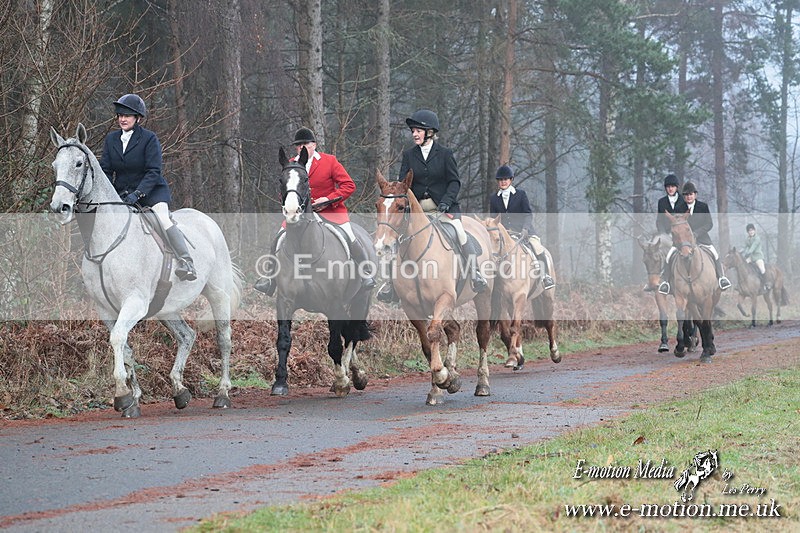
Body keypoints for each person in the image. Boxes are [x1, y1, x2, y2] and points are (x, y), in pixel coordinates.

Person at [377, 109, 487, 303]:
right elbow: (404, 184)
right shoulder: (409, 155)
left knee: (460, 233)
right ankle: (390, 284)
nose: (414, 134)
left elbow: (454, 182)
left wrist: (446, 201)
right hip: (417, 211)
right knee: (396, 239)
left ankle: (475, 273)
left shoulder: (445, 154)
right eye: (413, 131)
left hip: (443, 208)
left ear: (429, 132)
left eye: (418, 130)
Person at [254, 127, 375, 296]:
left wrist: (328, 199)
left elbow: (349, 185)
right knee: (278, 239)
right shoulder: (291, 164)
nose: (302, 148)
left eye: (306, 144)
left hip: (331, 211)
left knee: (350, 236)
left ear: (314, 144)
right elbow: (286, 189)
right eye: (299, 145)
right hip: (299, 213)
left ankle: (365, 274)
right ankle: (270, 279)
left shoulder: (329, 161)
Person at [99, 93, 196, 281]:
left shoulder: (149, 139)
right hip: (123, 196)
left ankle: (186, 261)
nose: (122, 119)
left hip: (151, 193)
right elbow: (105, 170)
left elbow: (154, 171)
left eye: (127, 115)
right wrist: (110, 195)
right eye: (120, 115)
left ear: (137, 118)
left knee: (162, 219)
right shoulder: (111, 140)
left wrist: (138, 193)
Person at [657, 181, 731, 294]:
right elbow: (676, 223)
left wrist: (696, 234)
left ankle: (721, 278)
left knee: (715, 254)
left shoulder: (703, 206)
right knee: (669, 256)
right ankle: (666, 283)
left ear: (695, 195)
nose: (688, 197)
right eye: (686, 195)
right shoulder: (679, 207)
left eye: (691, 194)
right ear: (684, 196)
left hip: (702, 238)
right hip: (683, 241)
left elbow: (709, 224)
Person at [489, 165, 554, 289]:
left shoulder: (520, 194)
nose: (503, 182)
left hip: (523, 232)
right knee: (493, 251)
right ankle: (492, 281)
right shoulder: (494, 198)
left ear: (511, 180)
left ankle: (545, 276)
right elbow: (494, 219)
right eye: (500, 180)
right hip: (504, 234)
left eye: (505, 179)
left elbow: (528, 214)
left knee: (537, 247)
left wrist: (525, 229)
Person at [644, 173, 687, 291]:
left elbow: (686, 218)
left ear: (676, 187)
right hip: (666, 235)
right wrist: (663, 234)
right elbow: (659, 221)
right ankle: (659, 281)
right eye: (668, 187)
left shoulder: (684, 201)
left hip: (681, 234)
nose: (670, 188)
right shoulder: (662, 202)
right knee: (654, 254)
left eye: (672, 186)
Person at [742, 223, 770, 291]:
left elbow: (753, 247)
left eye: (752, 230)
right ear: (748, 232)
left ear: (754, 230)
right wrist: (739, 252)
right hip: (751, 257)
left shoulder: (757, 238)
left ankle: (766, 284)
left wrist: (748, 253)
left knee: (762, 269)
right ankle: (742, 284)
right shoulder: (747, 239)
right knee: (742, 266)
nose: (751, 232)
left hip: (758, 257)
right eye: (749, 231)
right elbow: (744, 247)